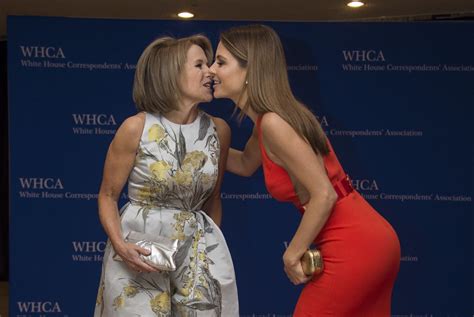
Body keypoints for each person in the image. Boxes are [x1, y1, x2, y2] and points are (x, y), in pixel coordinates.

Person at [210, 24, 400, 316]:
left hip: (355, 244)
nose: (211, 70)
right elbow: (244, 165)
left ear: (251, 70)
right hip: (369, 240)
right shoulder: (266, 123)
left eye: (221, 62)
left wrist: (292, 253)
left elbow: (324, 194)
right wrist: (196, 137)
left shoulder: (274, 123)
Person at [94, 34, 239, 317]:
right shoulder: (135, 128)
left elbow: (213, 199)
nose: (210, 72)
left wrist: (206, 252)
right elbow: (108, 196)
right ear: (171, 74)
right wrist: (122, 248)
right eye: (199, 65)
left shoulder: (219, 131)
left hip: (196, 256)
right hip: (137, 255)